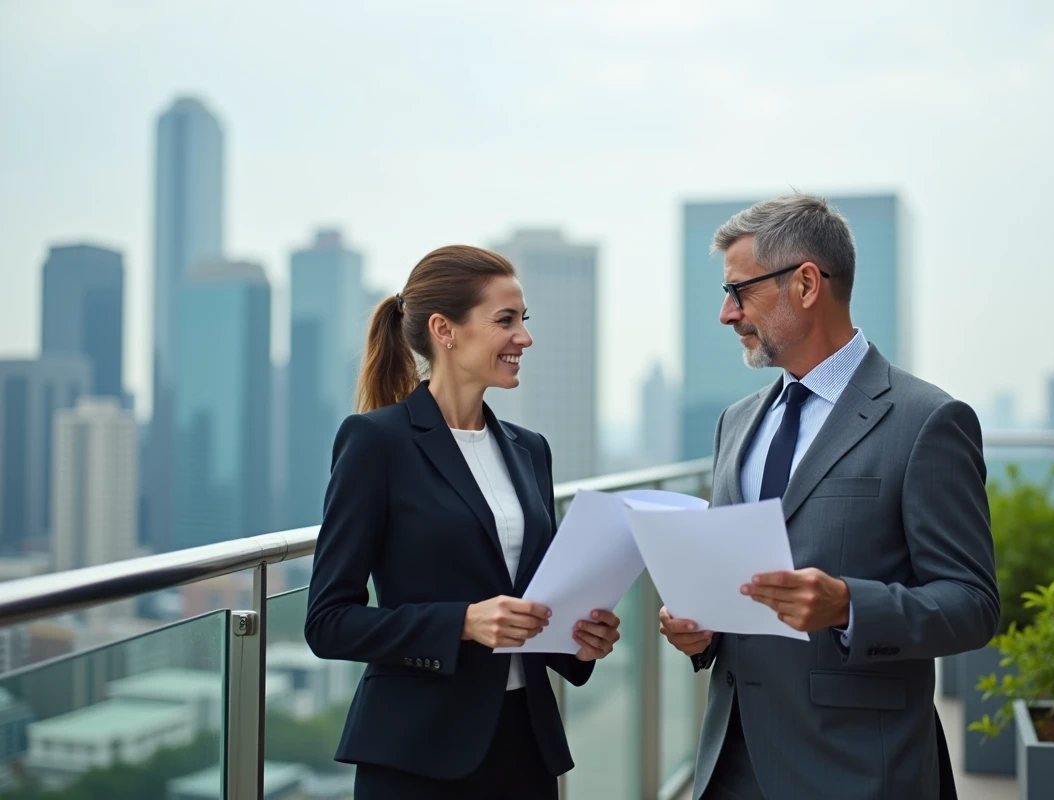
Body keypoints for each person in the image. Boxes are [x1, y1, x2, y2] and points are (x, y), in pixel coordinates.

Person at [659, 194, 999, 800]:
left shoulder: (927, 421)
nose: (725, 314)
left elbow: (972, 604)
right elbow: (733, 579)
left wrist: (849, 607)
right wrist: (702, 629)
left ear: (807, 284)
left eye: (738, 292)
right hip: (730, 762)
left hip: (858, 769)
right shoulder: (735, 423)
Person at [304, 245, 621, 799]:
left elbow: (530, 602)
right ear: (444, 330)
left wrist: (579, 641)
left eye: (524, 320)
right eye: (506, 320)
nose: (524, 337)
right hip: (417, 756)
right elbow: (329, 621)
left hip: (525, 747)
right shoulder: (376, 443)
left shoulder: (530, 450)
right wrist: (462, 623)